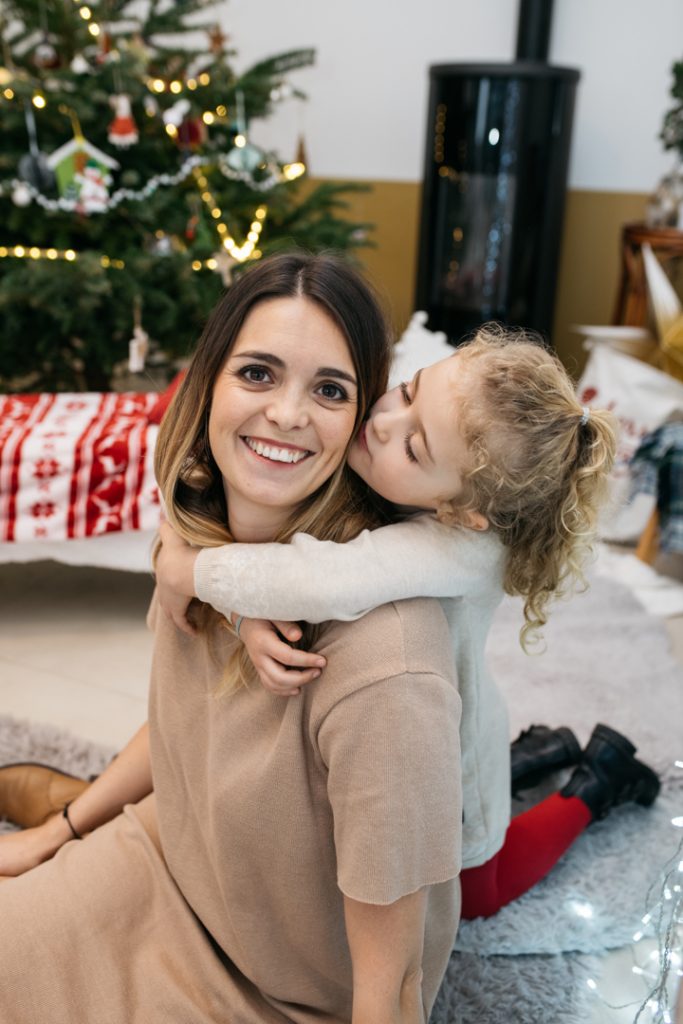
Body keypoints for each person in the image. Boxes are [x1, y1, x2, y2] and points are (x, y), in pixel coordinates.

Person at [0, 252, 463, 1024]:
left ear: (358, 420)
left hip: (280, 993)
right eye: (257, 373)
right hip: (167, 863)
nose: (286, 413)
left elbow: (394, 985)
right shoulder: (198, 537)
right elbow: (189, 726)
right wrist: (57, 834)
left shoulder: (387, 663)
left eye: (328, 389)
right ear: (206, 382)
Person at [152, 323, 661, 920]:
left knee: (476, 895)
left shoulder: (463, 549)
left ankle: (597, 782)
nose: (383, 422)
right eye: (409, 390)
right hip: (419, 715)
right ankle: (543, 750)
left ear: (464, 512)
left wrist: (184, 572)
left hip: (453, 743)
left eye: (414, 447)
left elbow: (318, 580)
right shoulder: (398, 465)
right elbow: (202, 493)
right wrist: (221, 594)